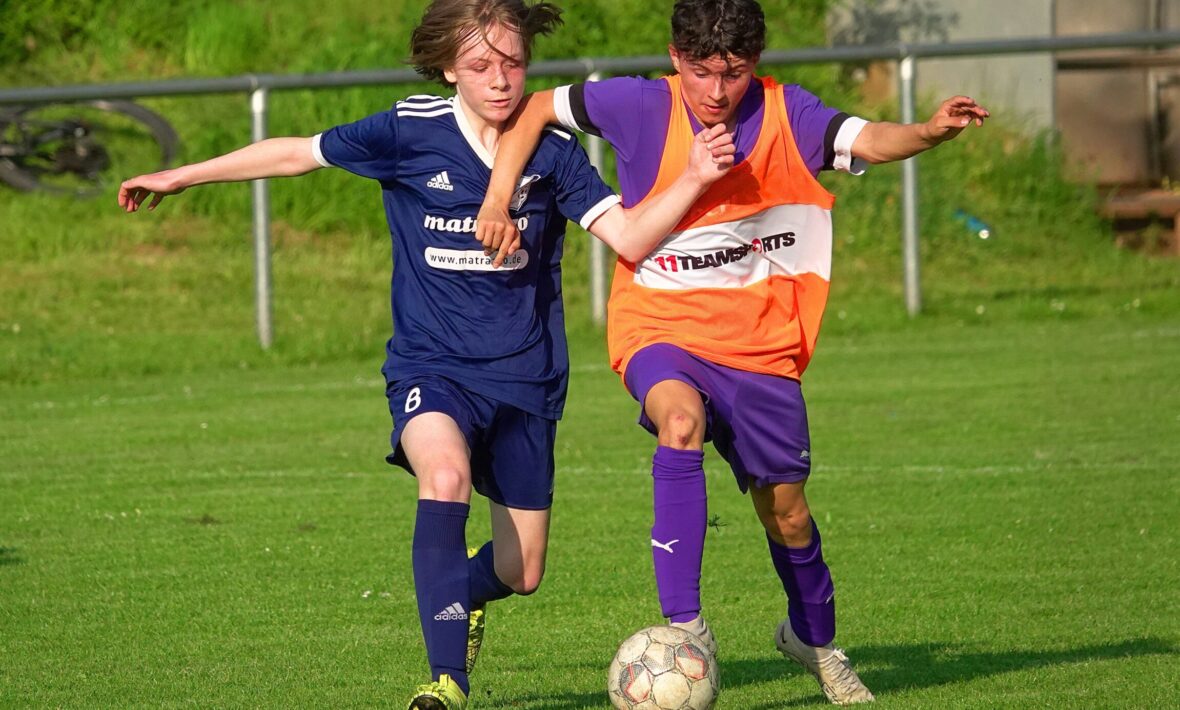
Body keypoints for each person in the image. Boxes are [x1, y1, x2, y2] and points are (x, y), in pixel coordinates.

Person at [116, 2, 736, 708]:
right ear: (447, 69)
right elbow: (296, 152)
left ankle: (456, 595)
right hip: (431, 364)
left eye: (513, 63)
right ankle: (447, 682)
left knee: (523, 571)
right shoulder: (410, 131)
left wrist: (695, 177)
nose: (500, 80)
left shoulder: (553, 151)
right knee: (444, 476)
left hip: (526, 377)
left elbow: (629, 237)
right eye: (480, 65)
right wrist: (180, 176)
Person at [476, 0, 988, 705]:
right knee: (678, 421)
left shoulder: (786, 113)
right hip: (660, 326)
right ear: (675, 57)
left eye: (735, 73)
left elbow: (867, 138)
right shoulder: (637, 105)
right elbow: (535, 108)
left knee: (788, 514)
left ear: (755, 64)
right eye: (701, 72)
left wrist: (929, 131)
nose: (717, 91)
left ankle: (813, 640)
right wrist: (497, 199)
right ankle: (686, 629)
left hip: (759, 346)